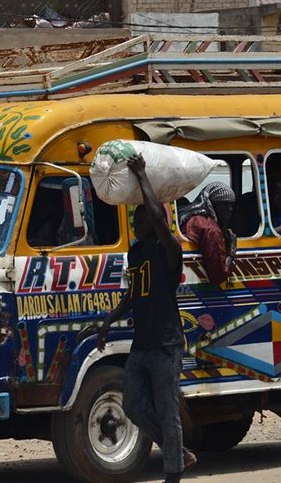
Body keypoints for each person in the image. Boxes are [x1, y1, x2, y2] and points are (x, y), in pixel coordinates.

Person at [90, 154, 196, 483]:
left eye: (141, 217)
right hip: (143, 344)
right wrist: (109, 320)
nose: (136, 223)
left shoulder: (170, 250)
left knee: (167, 411)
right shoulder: (136, 252)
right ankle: (177, 453)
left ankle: (173, 474)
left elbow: (159, 219)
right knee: (134, 406)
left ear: (155, 221)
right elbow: (135, 293)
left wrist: (141, 175)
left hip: (165, 344)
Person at [178, 182, 237, 287]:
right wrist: (232, 249)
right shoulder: (211, 229)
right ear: (213, 204)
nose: (230, 210)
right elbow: (219, 275)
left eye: (232, 206)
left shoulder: (193, 216)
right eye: (225, 205)